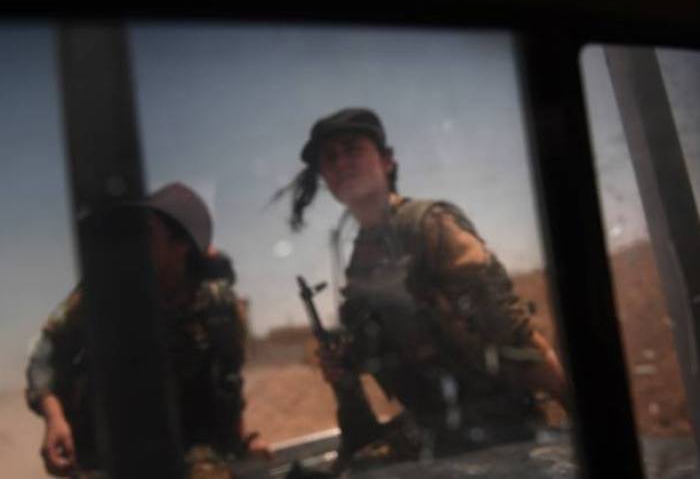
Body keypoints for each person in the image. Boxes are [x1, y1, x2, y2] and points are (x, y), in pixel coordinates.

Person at [283, 108, 569, 466]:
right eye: (330, 158)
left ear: (387, 161)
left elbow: (514, 333)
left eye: (352, 149)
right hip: (436, 436)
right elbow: (390, 346)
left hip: (497, 432)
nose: (341, 163)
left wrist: (574, 405)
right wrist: (344, 363)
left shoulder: (429, 226)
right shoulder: (358, 258)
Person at [26, 183, 268, 478]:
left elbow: (227, 382)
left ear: (181, 244)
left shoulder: (219, 308)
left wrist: (243, 440)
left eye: (147, 231)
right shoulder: (105, 291)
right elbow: (46, 352)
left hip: (187, 449)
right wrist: (54, 418)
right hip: (108, 450)